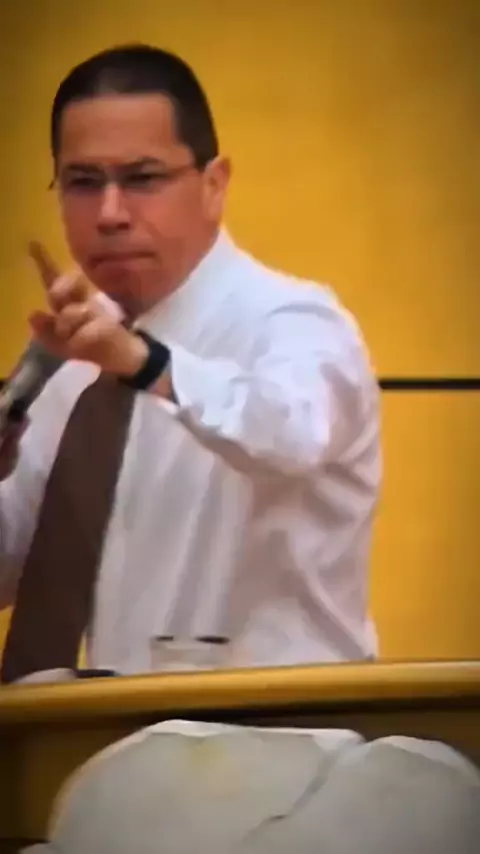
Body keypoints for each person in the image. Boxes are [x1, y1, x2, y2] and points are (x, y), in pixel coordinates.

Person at [0, 44, 381, 677]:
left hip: (277, 727)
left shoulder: (295, 322)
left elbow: (291, 434)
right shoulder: (71, 361)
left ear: (214, 184)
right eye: (83, 183)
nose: (110, 214)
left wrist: (146, 364)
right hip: (93, 727)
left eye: (142, 178)